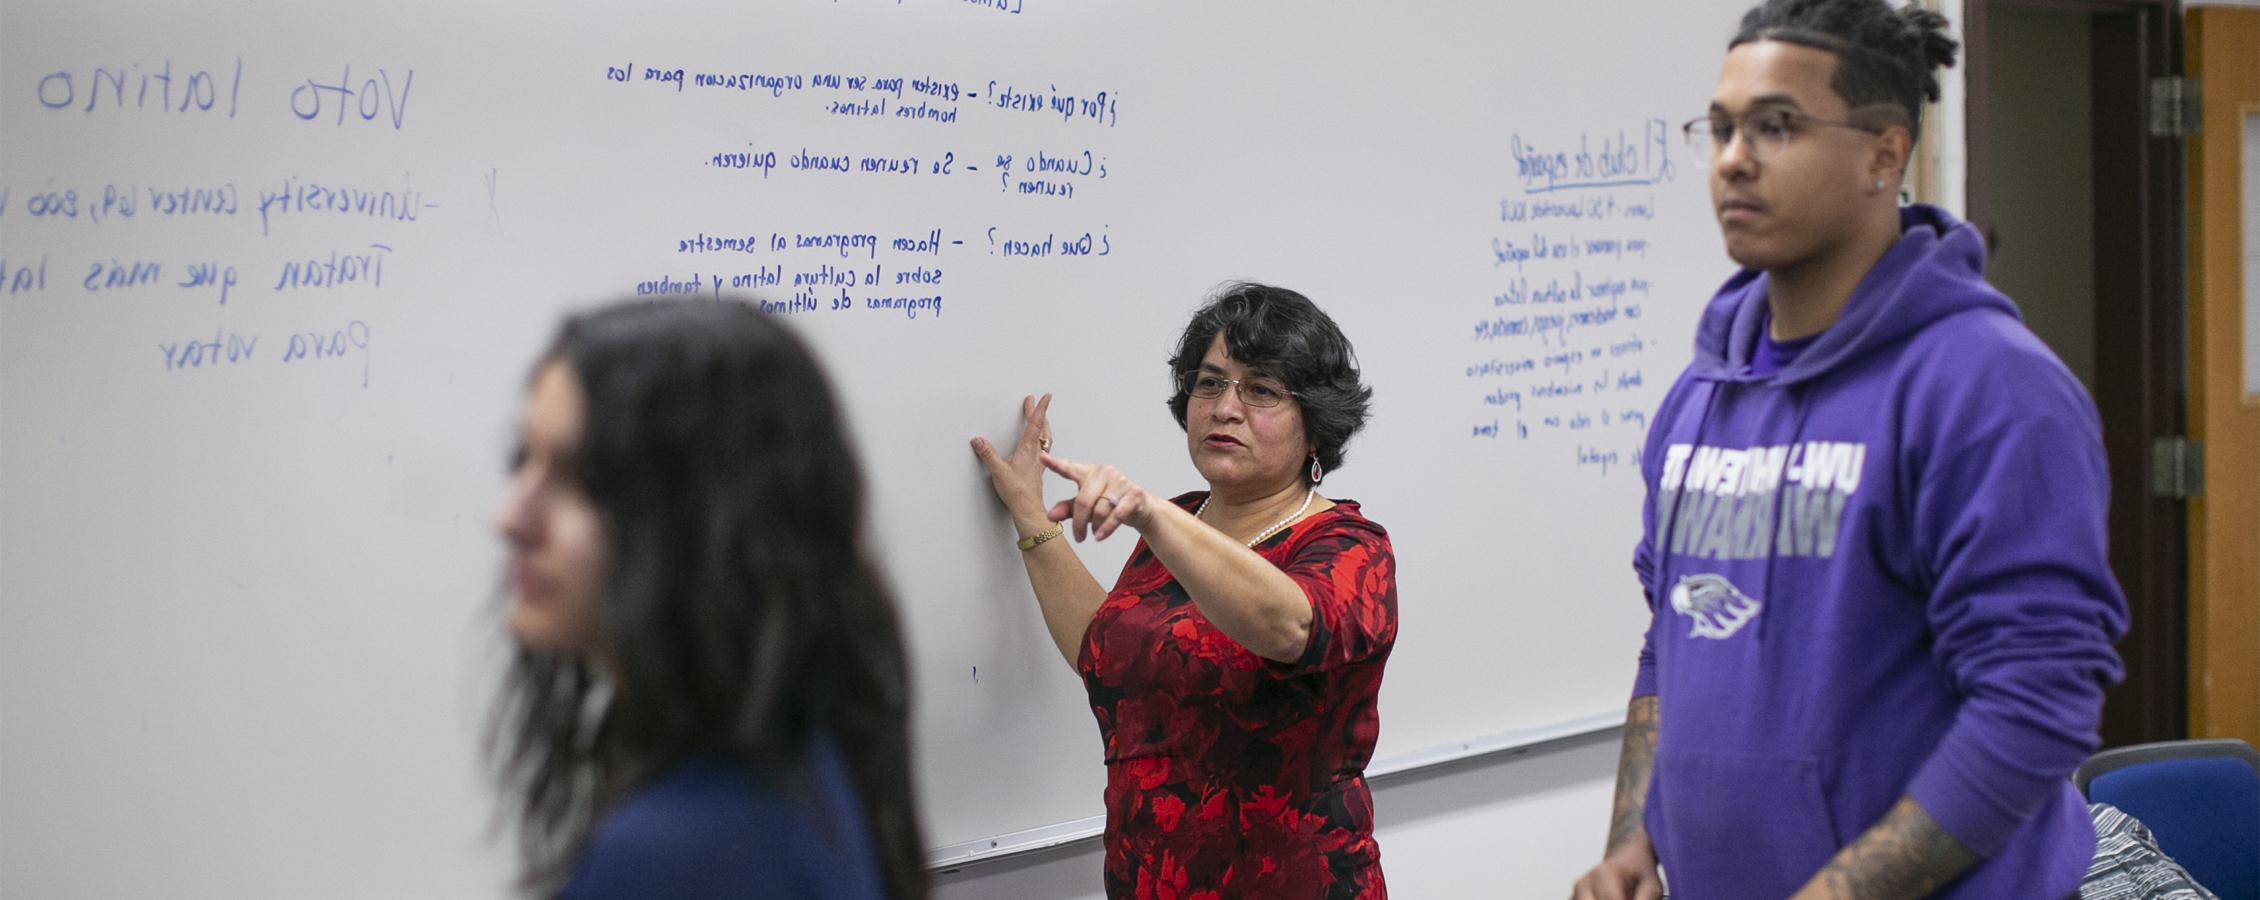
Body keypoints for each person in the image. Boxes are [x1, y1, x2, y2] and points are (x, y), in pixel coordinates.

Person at [1572, 2, 2128, 898]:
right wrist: (1634, 843)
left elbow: (2038, 701)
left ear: (1885, 151)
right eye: (1720, 129)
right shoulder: (1700, 398)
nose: (1734, 159)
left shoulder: (1991, 390)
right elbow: (1670, 640)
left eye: (1776, 126)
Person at [490, 299, 927, 899]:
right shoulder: (802, 758)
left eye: (582, 478)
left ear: (705, 519)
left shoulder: (677, 852)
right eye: (522, 460)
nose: (511, 517)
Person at [970, 282, 1395, 898]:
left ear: (1317, 425)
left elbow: (1290, 626)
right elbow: (1105, 651)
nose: (1225, 408)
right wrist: (1031, 514)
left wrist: (1149, 514)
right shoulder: (1182, 519)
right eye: (1210, 382)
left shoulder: (1351, 545)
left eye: (1262, 391)